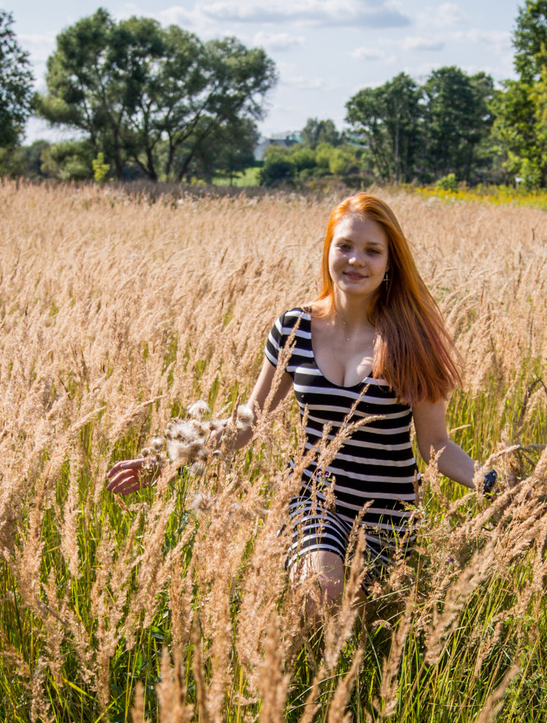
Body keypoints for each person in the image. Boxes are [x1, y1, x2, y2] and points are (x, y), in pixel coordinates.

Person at [104, 192, 507, 616]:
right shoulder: (293, 328)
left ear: (390, 263)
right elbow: (248, 423)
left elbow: (435, 445)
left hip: (388, 516)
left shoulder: (412, 340)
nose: (356, 260)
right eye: (345, 246)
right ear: (328, 250)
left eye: (372, 251)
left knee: (363, 630)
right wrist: (165, 459)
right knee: (321, 593)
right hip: (314, 500)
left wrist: (495, 484)